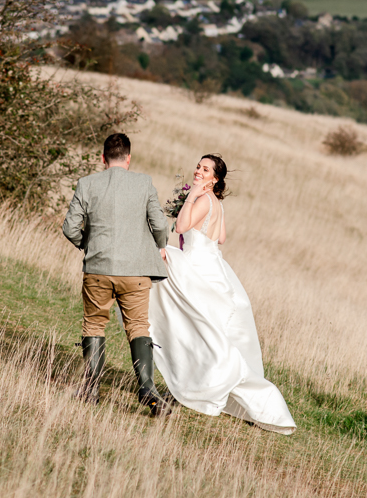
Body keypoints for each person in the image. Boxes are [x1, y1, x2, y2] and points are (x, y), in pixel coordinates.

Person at [150, 154, 296, 434]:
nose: (198, 171)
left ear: (214, 179)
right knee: (204, 329)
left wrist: (191, 196)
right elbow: (222, 238)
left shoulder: (202, 199)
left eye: (205, 170)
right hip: (214, 263)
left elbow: (180, 228)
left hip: (196, 264)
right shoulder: (217, 204)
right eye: (198, 166)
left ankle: (188, 378)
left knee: (186, 321)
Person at [62, 133, 172, 416]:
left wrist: (89, 245)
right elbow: (160, 225)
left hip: (98, 269)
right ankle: (147, 387)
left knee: (94, 325)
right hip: (135, 272)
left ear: (103, 158)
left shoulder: (87, 184)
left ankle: (90, 388)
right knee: (137, 326)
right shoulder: (143, 182)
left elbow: (70, 228)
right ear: (128, 158)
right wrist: (159, 246)